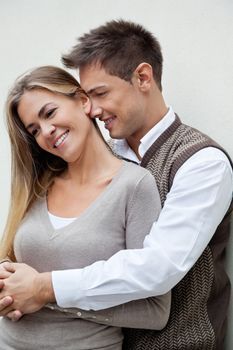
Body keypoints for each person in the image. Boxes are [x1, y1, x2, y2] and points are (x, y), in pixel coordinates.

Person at [0, 19, 233, 349]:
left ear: (142, 78)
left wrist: (43, 289)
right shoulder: (96, 158)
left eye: (100, 93)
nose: (92, 109)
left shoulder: (200, 162)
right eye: (86, 96)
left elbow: (156, 269)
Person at [0, 65, 171, 349]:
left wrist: (45, 294)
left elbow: (155, 310)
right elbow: (12, 261)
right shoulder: (37, 185)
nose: (46, 131)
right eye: (34, 129)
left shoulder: (134, 187)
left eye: (49, 113)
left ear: (82, 101)